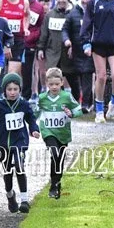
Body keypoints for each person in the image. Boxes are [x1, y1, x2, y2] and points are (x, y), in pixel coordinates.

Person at [0, 73, 40, 213]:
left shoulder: (23, 104)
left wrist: (34, 129)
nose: (12, 92)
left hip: (19, 142)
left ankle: (24, 200)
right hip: (3, 143)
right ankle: (10, 195)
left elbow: (31, 118)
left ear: (20, 90)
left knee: (19, 165)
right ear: (4, 90)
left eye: (15, 89)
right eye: (9, 89)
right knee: (7, 170)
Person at [37, 67, 82, 199]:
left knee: (60, 159)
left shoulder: (66, 97)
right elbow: (33, 112)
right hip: (48, 131)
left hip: (63, 134)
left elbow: (79, 109)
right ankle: (53, 185)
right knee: (54, 153)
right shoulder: (42, 98)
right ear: (46, 84)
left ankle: (56, 183)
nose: (54, 87)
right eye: (51, 84)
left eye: (57, 84)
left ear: (62, 82)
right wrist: (32, 127)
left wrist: (71, 113)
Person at [38, 0, 76, 103]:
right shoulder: (50, 15)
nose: (61, 0)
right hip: (52, 52)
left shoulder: (74, 13)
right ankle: (56, 101)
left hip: (68, 53)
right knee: (53, 77)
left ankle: (75, 101)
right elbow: (44, 33)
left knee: (72, 78)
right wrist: (40, 48)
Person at [63, 0, 95, 112]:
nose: (85, 1)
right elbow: (65, 28)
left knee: (87, 75)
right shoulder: (73, 13)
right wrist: (67, 41)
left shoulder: (95, 12)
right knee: (79, 77)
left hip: (90, 49)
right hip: (76, 50)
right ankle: (84, 101)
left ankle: (85, 104)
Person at [0, 0, 30, 75]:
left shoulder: (24, 2)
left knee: (12, 73)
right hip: (1, 39)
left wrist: (26, 27)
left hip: (18, 40)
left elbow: (27, 15)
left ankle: (10, 90)